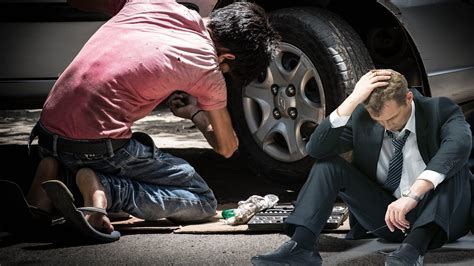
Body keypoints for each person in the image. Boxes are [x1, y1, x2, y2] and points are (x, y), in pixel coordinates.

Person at [25, 0, 279, 236]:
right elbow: (226, 147)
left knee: (141, 143)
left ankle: (55, 171)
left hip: (47, 133)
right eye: (227, 69)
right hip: (94, 148)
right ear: (227, 57)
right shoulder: (208, 65)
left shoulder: (151, 3)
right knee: (201, 200)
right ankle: (106, 189)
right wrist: (196, 113)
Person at [252, 69, 473, 265]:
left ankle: (412, 252)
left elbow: (460, 146)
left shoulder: (439, 110)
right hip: (390, 220)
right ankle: (300, 247)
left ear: (408, 98)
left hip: (446, 219)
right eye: (380, 121)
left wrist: (413, 195)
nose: (387, 126)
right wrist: (352, 99)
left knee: (453, 166)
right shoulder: (364, 118)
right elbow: (317, 149)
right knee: (328, 165)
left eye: (392, 118)